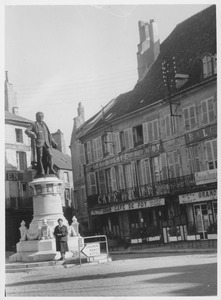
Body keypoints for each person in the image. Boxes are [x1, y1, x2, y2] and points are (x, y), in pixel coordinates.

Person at [25, 112, 58, 176]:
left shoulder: (45, 124)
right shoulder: (34, 124)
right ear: (36, 117)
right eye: (39, 116)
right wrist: (32, 134)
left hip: (46, 143)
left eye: (42, 116)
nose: (41, 117)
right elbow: (27, 130)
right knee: (39, 157)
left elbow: (49, 134)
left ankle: (51, 168)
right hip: (39, 143)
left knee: (50, 155)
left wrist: (53, 141)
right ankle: (42, 170)